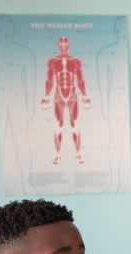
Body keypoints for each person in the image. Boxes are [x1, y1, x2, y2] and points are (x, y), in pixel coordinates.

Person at [40, 36, 91, 165]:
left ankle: (78, 154)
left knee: (75, 124)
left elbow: (80, 80)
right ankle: (57, 155)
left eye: (65, 42)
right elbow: (49, 81)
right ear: (57, 45)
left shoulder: (75, 61)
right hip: (59, 95)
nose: (63, 45)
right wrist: (46, 97)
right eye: (61, 42)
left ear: (69, 45)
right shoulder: (52, 61)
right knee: (59, 125)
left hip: (72, 94)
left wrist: (85, 96)